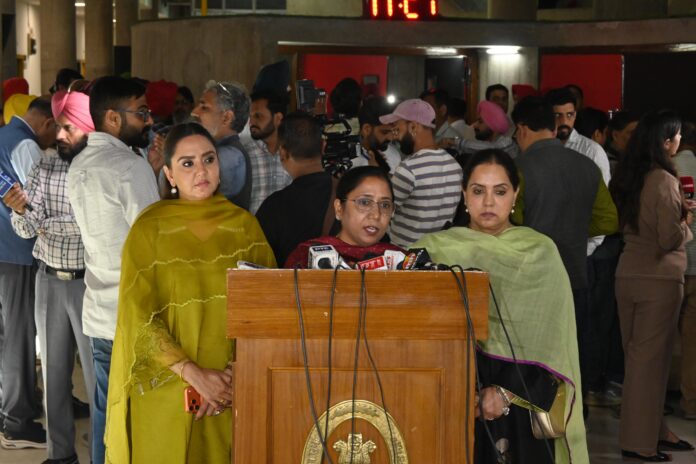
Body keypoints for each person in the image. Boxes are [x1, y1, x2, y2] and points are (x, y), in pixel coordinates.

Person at [105, 123, 276, 464]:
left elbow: (268, 308)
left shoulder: (245, 227)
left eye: (208, 159)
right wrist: (194, 375)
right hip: (166, 385)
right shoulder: (149, 229)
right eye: (187, 163)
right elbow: (137, 315)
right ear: (169, 173)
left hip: (230, 389)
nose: (201, 171)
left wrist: (231, 377)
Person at [414, 149, 588, 464]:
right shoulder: (433, 250)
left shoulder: (540, 252)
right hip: (451, 396)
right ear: (464, 194)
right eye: (478, 191)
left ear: (515, 195)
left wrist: (505, 394)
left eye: (500, 191)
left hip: (520, 402)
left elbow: (553, 341)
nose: (488, 202)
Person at [67, 76, 160, 464]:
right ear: (112, 117)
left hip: (99, 310)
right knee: (139, 417)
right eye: (141, 112)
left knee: (106, 412)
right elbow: (154, 242)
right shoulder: (129, 168)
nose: (148, 119)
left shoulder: (80, 164)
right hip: (133, 312)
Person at [4, 89, 96, 464]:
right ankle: (60, 455)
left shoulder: (99, 169)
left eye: (69, 127)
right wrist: (20, 211)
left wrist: (43, 222)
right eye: (58, 126)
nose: (60, 135)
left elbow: (91, 227)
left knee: (96, 376)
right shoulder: (45, 167)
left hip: (89, 282)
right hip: (48, 280)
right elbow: (26, 228)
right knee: (55, 376)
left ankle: (102, 454)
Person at [511, 96, 619, 412]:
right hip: (575, 275)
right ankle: (573, 417)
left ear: (521, 129)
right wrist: (573, 232)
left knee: (534, 360)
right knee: (573, 353)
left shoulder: (519, 169)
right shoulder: (587, 166)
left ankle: (535, 421)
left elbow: (511, 223)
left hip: (531, 280)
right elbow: (608, 221)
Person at [610, 110, 694, 461]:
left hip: (628, 273)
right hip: (658, 280)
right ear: (666, 141)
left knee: (639, 362)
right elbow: (668, 238)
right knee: (649, 366)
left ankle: (656, 432)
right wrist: (687, 220)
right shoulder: (663, 179)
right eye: (677, 136)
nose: (680, 141)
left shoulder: (629, 174)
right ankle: (639, 443)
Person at [0, 97, 55, 450]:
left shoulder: (2, 136)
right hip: (15, 252)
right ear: (48, 122)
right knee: (19, 336)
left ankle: (8, 408)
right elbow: (40, 203)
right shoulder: (25, 145)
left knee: (4, 335)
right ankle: (18, 422)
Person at [381, 98, 463, 248]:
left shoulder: (409, 168)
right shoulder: (454, 165)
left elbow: (384, 211)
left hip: (407, 254)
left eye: (397, 129)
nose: (395, 137)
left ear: (413, 126)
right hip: (440, 252)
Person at [285, 166, 404, 268]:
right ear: (339, 208)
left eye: (385, 205)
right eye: (365, 202)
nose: (376, 215)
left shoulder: (403, 263)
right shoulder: (305, 258)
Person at [255, 112, 333, 266]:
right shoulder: (349, 193)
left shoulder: (273, 207)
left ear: (283, 153)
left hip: (291, 281)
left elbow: (259, 263)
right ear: (324, 146)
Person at [191, 80, 251, 209]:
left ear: (226, 117)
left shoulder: (229, 156)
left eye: (204, 107)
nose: (194, 112)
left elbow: (198, 202)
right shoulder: (220, 151)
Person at [673, 120, 696, 420]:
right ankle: (691, 402)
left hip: (673, 262)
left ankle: (657, 398)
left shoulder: (667, 170)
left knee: (661, 335)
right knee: (693, 340)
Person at [244, 90, 292, 213]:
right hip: (253, 224)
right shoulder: (245, 155)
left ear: (278, 118)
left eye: (258, 116)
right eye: (250, 117)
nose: (251, 122)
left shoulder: (294, 152)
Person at [451, 100, 519, 159]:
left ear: (493, 124)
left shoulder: (507, 143)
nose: (475, 125)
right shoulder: (488, 144)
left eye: (480, 121)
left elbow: (492, 148)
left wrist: (455, 141)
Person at [350, 96, 401, 173]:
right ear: (367, 129)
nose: (391, 138)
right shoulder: (348, 160)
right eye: (385, 132)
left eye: (394, 131)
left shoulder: (394, 155)